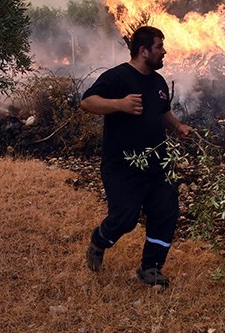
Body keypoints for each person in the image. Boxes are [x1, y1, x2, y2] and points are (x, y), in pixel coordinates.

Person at [80, 25, 192, 288]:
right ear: (143, 51)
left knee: (165, 214)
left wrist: (177, 126)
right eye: (159, 47)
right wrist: (119, 104)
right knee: (125, 219)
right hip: (122, 166)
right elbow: (87, 102)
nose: (164, 51)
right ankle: (100, 239)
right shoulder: (118, 77)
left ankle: (150, 268)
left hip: (157, 164)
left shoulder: (158, 81)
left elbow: (162, 111)